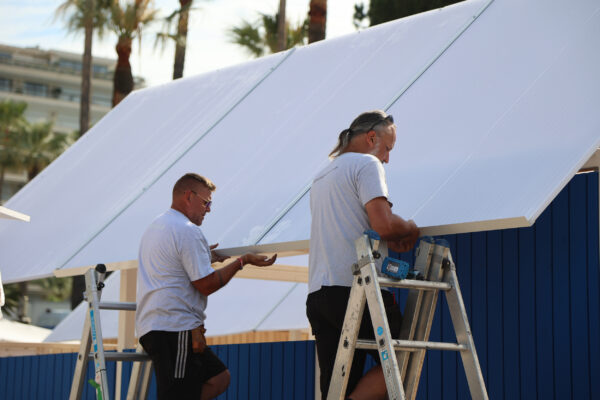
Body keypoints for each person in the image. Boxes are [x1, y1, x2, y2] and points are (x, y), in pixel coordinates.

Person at [307, 110, 420, 399]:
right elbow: (383, 223)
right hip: (356, 290)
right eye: (387, 148)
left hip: (320, 294)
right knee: (404, 356)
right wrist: (408, 227)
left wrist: (391, 237)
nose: (387, 158)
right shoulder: (367, 164)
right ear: (372, 138)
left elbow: (355, 228)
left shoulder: (322, 175)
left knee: (337, 388)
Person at [136, 173, 277, 400]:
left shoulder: (157, 226)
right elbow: (206, 285)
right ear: (188, 196)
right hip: (175, 327)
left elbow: (172, 267)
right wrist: (242, 261)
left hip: (157, 325)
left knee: (219, 377)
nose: (209, 209)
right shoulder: (187, 230)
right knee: (176, 396)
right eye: (206, 202)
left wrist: (202, 257)